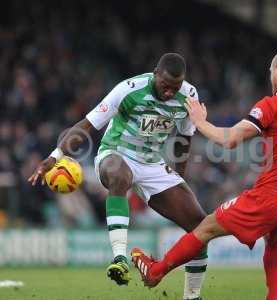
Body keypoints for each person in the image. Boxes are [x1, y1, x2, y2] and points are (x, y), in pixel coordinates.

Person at [131, 49, 277, 300]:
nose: (271, 76)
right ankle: (274, 297)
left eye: (272, 71)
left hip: (270, 199)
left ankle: (156, 271)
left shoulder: (271, 104)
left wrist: (200, 121)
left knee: (205, 228)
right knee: (275, 242)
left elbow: (230, 140)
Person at [28, 53, 208, 300]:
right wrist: (54, 157)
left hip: (152, 164)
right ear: (156, 73)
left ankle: (192, 296)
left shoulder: (188, 97)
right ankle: (120, 259)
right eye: (165, 86)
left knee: (201, 226)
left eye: (174, 88)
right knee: (119, 175)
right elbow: (87, 125)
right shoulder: (128, 90)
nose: (169, 93)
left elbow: (185, 138)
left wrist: (179, 177)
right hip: (115, 154)